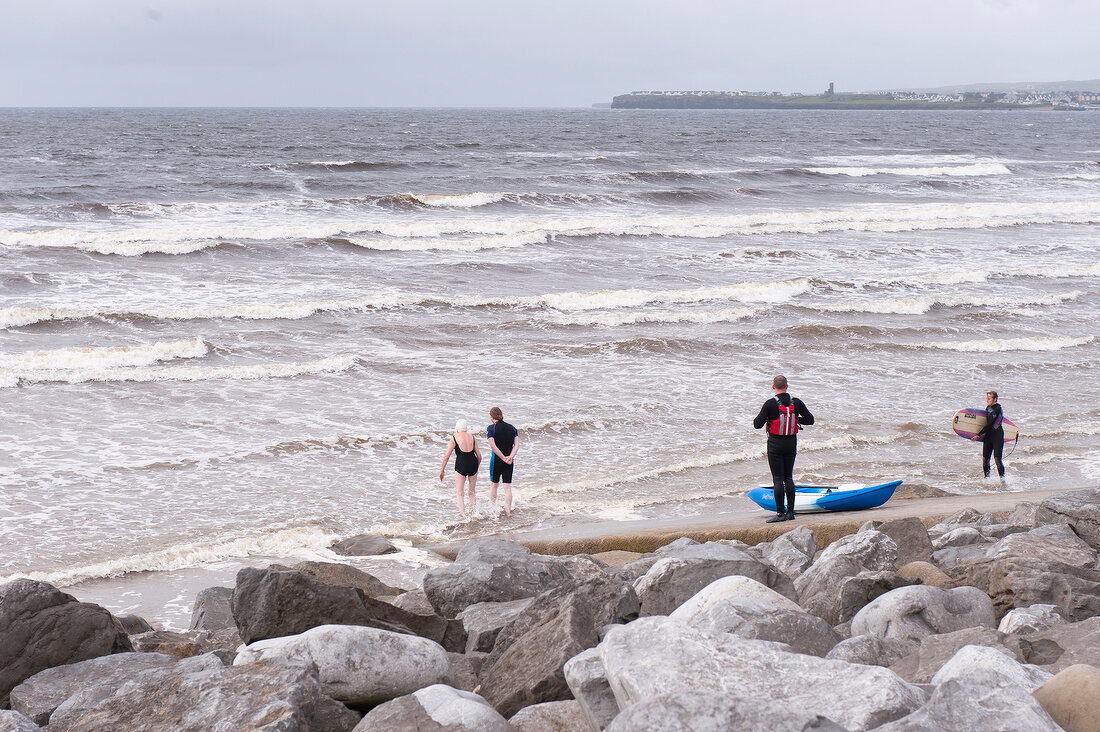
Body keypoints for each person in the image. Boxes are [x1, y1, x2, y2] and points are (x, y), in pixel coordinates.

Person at [753, 375, 814, 523]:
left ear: (773, 387)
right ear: (787, 386)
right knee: (788, 478)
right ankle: (790, 513)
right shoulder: (796, 403)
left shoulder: (769, 404)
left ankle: (780, 514)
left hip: (775, 444)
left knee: (778, 479)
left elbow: (757, 424)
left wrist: (768, 418)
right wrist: (796, 419)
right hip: (791, 443)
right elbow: (810, 420)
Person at [439, 419, 481, 517]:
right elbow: (479, 455)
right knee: (472, 492)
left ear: (457, 428)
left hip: (461, 465)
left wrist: (442, 470)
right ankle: (473, 513)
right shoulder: (473, 437)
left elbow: (446, 456)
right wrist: (477, 468)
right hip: (473, 464)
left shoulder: (454, 438)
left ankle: (463, 514)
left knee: (460, 493)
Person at [486, 406, 519, 515]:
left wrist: (502, 457)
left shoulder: (491, 428)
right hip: (509, 461)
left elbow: (493, 446)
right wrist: (510, 457)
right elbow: (517, 445)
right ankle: (508, 511)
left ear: (492, 417)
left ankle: (492, 509)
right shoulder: (512, 428)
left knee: (494, 485)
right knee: (507, 487)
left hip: (497, 460)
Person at [971, 390, 1006, 480]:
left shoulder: (997, 409)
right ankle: (987, 480)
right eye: (987, 398)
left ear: (995, 399)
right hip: (988, 436)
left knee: (997, 459)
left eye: (989, 398)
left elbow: (990, 424)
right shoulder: (988, 408)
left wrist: (978, 435)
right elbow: (983, 421)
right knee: (985, 459)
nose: (987, 400)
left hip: (997, 436)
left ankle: (1002, 480)